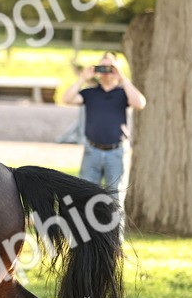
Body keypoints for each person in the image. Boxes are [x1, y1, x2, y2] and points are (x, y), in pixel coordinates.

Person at [60, 51, 147, 206]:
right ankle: (86, 230)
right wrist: (82, 78)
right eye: (103, 67)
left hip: (116, 153)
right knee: (84, 197)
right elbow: (66, 99)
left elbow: (140, 103)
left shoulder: (123, 93)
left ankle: (113, 231)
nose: (106, 72)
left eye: (110, 67)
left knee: (115, 201)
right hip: (91, 151)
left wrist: (122, 78)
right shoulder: (90, 93)